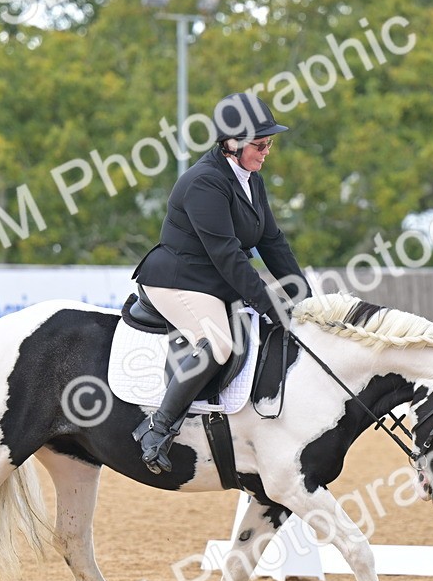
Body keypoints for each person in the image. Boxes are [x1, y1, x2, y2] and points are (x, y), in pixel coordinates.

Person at [131, 92, 311, 474]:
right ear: (231, 144)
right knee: (219, 342)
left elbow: (272, 242)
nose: (266, 152)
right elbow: (227, 253)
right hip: (178, 279)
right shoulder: (204, 182)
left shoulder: (251, 180)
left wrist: (303, 297)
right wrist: (267, 303)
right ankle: (156, 429)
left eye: (269, 143)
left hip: (213, 280)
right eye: (260, 145)